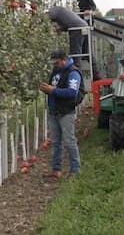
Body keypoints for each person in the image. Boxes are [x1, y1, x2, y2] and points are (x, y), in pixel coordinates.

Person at [39, 49, 83, 178]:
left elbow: (72, 92)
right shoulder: (56, 72)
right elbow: (55, 89)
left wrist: (53, 90)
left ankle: (75, 170)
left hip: (66, 112)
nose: (55, 65)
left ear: (64, 60)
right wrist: (47, 89)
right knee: (56, 142)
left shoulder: (73, 73)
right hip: (54, 111)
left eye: (57, 63)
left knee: (69, 141)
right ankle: (56, 170)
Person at [46, 6, 101, 80]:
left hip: (76, 29)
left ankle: (76, 79)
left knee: (75, 55)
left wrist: (44, 22)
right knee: (87, 52)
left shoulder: (52, 10)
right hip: (84, 26)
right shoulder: (62, 11)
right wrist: (60, 29)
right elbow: (68, 22)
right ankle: (96, 75)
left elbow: (49, 16)